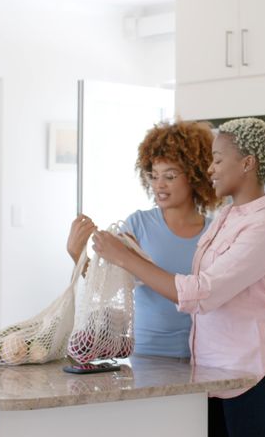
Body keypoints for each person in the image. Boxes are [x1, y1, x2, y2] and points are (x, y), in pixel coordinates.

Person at [92, 117, 265, 437]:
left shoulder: (264, 227)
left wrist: (126, 258)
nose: (211, 168)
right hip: (217, 373)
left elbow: (202, 294)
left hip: (257, 373)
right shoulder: (226, 220)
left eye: (218, 160)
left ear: (248, 164)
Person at [66, 120, 220, 359]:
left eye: (170, 176)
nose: (159, 185)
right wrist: (78, 255)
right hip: (146, 355)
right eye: (154, 175)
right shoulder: (138, 224)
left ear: (194, 176)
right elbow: (107, 286)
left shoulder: (215, 232)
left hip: (202, 357)